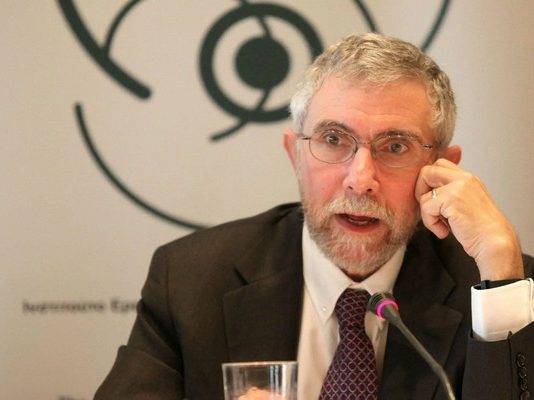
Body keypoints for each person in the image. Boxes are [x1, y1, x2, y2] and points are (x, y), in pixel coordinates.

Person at [95, 33, 533, 399]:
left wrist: (500, 269)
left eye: (395, 146)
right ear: (295, 155)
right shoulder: (191, 281)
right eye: (334, 139)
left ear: (442, 169)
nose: (360, 180)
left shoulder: (500, 289)